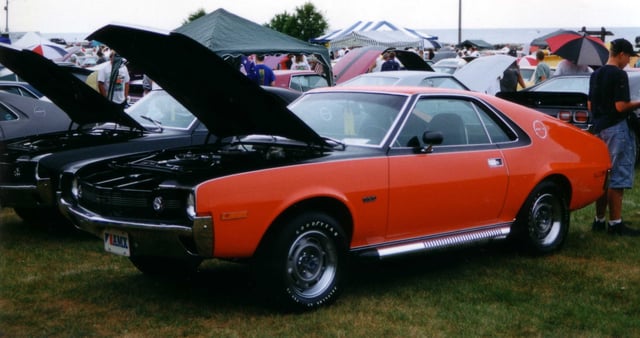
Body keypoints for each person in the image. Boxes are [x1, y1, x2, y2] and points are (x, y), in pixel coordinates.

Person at [588, 38, 640, 236]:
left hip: (599, 128)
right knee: (618, 175)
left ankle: (599, 219)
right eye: (628, 57)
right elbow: (620, 106)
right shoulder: (619, 75)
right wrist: (637, 103)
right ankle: (616, 223)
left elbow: (590, 106)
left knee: (603, 176)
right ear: (621, 55)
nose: (628, 61)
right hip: (617, 128)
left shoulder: (596, 74)